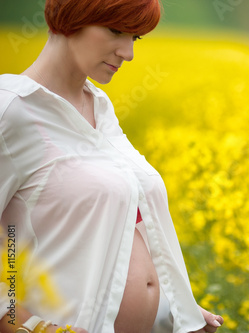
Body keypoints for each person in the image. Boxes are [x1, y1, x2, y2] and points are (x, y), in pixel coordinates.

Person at [0, 0, 223, 332]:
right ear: (71, 16)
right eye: (116, 31)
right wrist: (24, 325)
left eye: (135, 38)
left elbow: (115, 231)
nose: (128, 53)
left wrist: (177, 307)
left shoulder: (100, 107)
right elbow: (9, 243)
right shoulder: (12, 108)